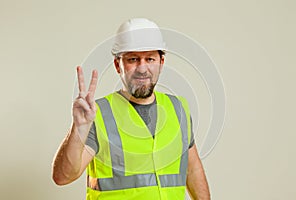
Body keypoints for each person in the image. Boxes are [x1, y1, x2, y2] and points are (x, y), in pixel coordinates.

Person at [52, 18, 210, 200]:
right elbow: (63, 177)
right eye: (133, 59)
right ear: (118, 65)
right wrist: (78, 128)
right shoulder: (98, 114)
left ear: (161, 62)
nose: (142, 68)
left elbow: (193, 169)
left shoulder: (178, 108)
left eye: (150, 59)